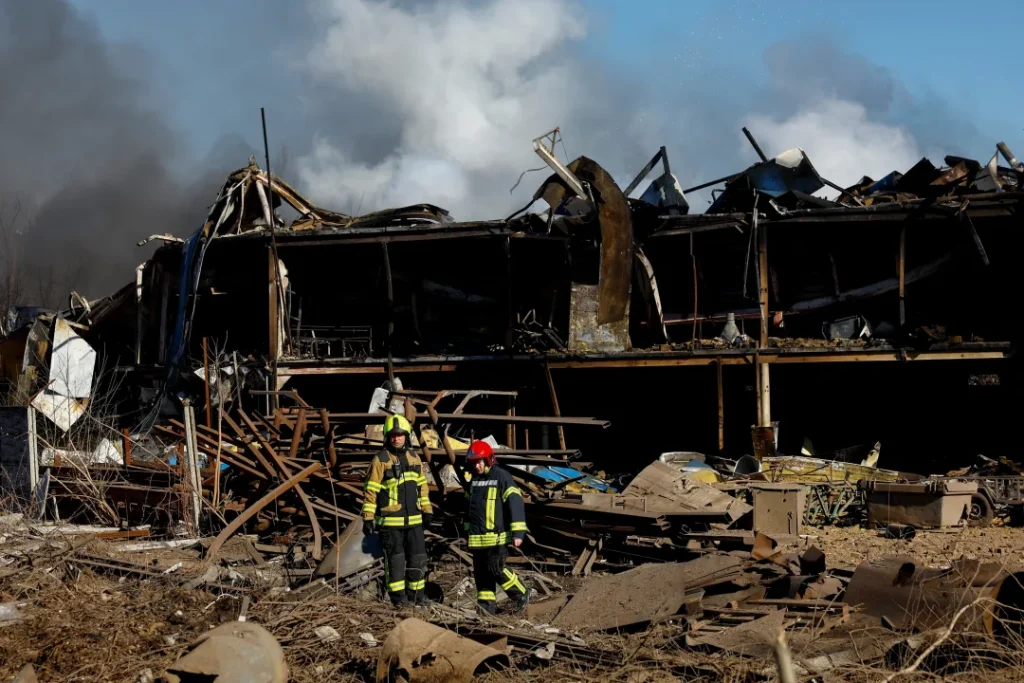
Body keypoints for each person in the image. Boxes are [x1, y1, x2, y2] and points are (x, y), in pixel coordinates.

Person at [362, 414, 433, 607]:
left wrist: (427, 511)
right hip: (391, 523)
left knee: (418, 559)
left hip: (414, 522)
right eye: (393, 435)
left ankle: (417, 597)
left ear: (406, 436)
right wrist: (368, 518)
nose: (396, 438)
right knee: (396, 562)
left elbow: (422, 488)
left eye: (400, 434)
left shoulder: (415, 458)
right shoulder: (380, 460)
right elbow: (371, 491)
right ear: (387, 437)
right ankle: (399, 600)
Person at [463, 440, 529, 614]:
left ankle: (521, 593)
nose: (476, 466)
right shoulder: (474, 481)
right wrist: (466, 531)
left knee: (497, 568)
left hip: (496, 537)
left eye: (479, 461)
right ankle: (486, 610)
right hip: (477, 539)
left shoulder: (502, 477)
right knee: (482, 575)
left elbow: (515, 503)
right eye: (473, 463)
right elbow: (468, 509)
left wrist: (518, 533)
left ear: (488, 460)